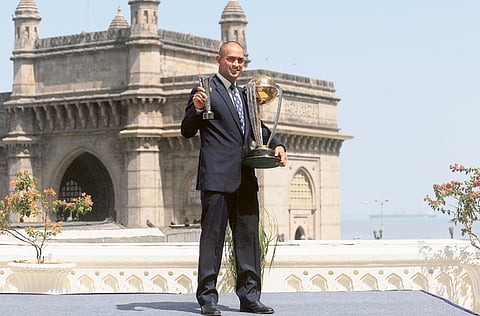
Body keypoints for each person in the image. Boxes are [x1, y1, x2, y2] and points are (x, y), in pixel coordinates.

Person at [181, 41, 287, 315]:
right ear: (219, 60)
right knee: (212, 240)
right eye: (231, 59)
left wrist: (277, 143)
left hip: (245, 178)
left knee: (248, 239)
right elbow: (186, 129)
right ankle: (207, 299)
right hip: (216, 179)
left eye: (240, 60)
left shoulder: (245, 95)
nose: (236, 64)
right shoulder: (206, 90)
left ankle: (249, 297)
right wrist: (195, 108)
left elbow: (257, 127)